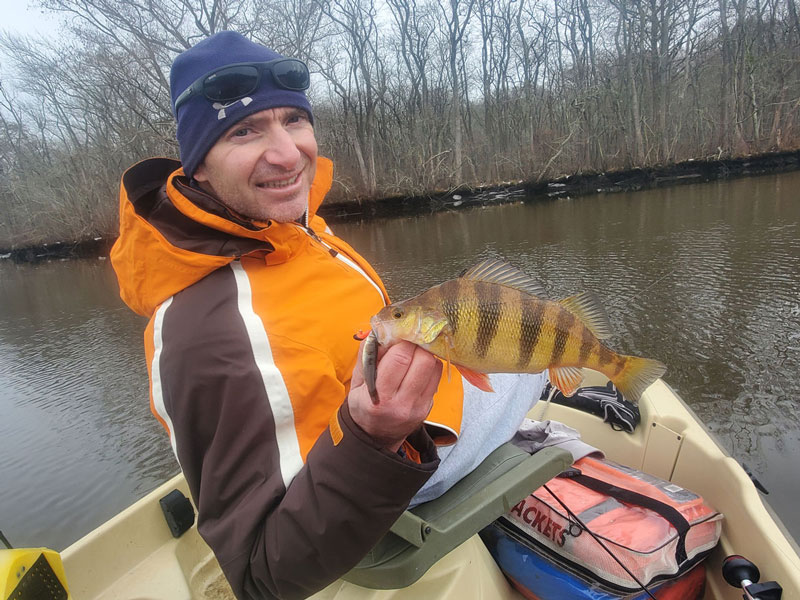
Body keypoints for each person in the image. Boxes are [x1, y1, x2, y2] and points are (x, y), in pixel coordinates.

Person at [111, 31, 545, 600]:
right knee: (538, 364)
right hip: (388, 471)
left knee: (527, 328)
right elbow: (261, 576)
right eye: (243, 131)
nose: (288, 154)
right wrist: (374, 437)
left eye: (293, 119)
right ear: (200, 167)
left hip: (407, 421)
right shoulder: (202, 335)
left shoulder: (292, 228)